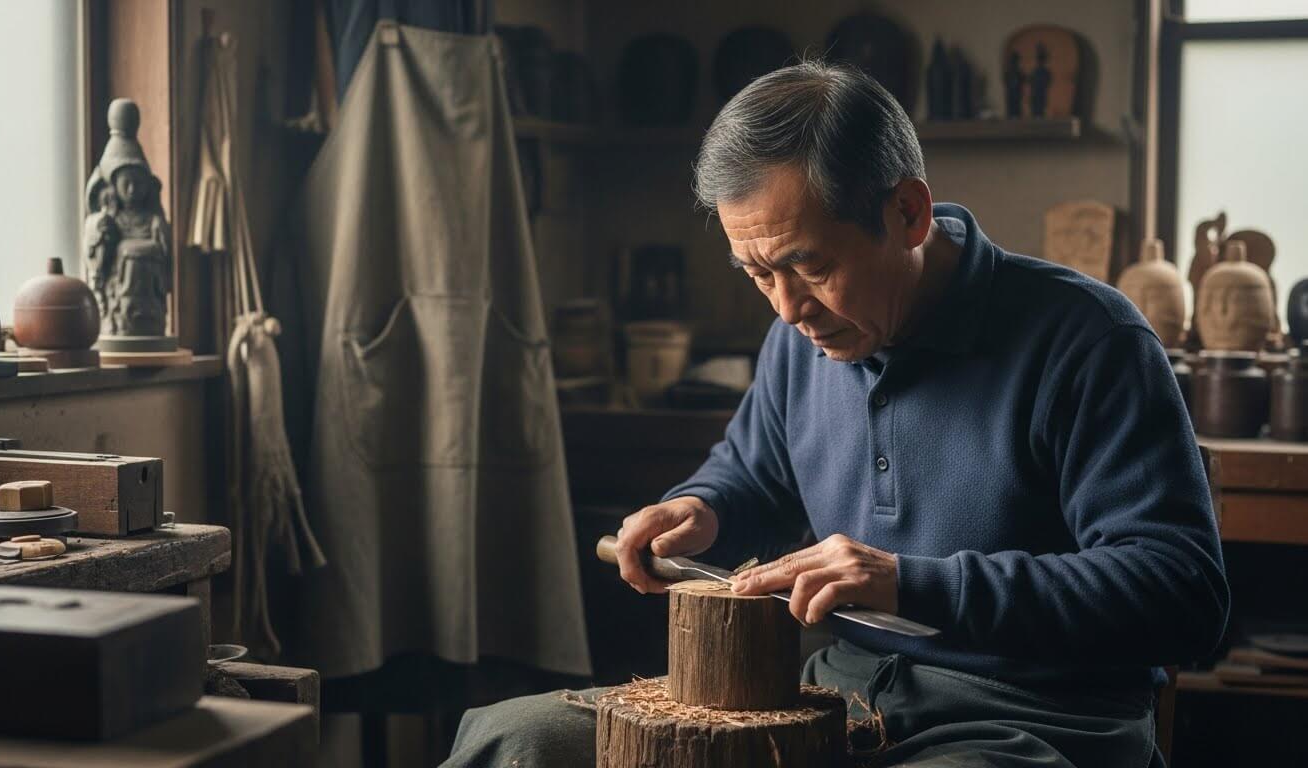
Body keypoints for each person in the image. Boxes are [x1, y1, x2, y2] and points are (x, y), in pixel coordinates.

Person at [441, 61, 1228, 767]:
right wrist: (700, 511)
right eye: (756, 274)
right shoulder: (803, 336)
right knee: (517, 740)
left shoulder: (1086, 339)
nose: (786, 309)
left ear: (909, 215)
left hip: (1033, 721)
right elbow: (752, 475)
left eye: (809, 266)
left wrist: (908, 583)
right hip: (834, 698)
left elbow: (1181, 596)